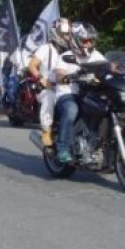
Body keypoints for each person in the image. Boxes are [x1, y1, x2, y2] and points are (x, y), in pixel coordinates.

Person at [52, 22, 106, 163]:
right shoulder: (66, 56)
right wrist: (68, 77)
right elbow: (59, 75)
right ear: (76, 41)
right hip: (68, 94)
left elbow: (108, 69)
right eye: (84, 41)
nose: (88, 44)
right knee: (71, 110)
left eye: (90, 40)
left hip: (90, 94)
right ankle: (63, 148)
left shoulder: (97, 56)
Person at [27, 17, 71, 147]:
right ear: (55, 33)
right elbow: (32, 65)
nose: (67, 36)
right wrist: (41, 78)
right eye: (64, 34)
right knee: (49, 98)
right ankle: (46, 130)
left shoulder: (71, 50)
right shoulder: (46, 48)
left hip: (65, 88)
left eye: (68, 33)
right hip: (48, 87)